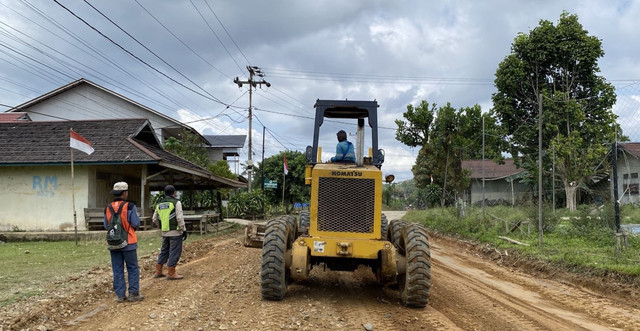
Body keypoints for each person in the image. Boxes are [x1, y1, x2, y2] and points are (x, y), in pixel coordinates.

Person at [103, 181, 144, 302]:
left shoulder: (108, 208)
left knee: (117, 268)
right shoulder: (130, 206)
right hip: (129, 242)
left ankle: (120, 295)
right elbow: (136, 223)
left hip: (113, 242)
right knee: (132, 267)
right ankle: (133, 293)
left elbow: (106, 225)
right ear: (125, 193)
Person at [152, 185, 187, 280]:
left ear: (164, 193)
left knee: (164, 251)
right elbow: (179, 218)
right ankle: (171, 273)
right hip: (175, 232)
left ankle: (158, 271)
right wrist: (183, 229)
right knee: (174, 251)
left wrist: (161, 227)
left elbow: (154, 218)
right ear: (174, 193)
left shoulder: (159, 203)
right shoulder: (176, 202)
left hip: (164, 232)